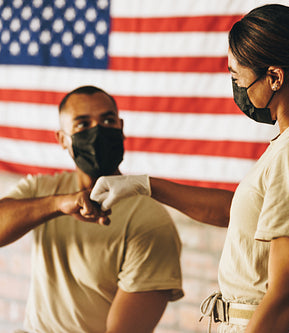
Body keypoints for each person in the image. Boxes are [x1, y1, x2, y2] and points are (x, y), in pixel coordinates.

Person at [91, 4, 289, 333]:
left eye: (237, 76)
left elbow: (287, 294)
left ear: (275, 77)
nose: (236, 86)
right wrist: (146, 186)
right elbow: (239, 213)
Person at [0, 85, 184, 333]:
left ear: (121, 128)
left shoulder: (150, 222)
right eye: (82, 125)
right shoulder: (43, 189)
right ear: (62, 139)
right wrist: (58, 204)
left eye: (108, 121)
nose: (98, 131)